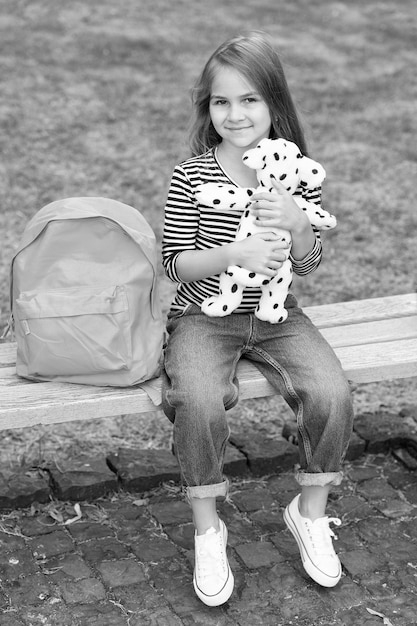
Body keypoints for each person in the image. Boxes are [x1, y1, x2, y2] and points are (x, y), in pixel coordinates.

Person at [161, 31, 354, 607]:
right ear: (207, 107)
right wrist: (230, 256)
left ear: (274, 106)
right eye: (221, 102)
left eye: (249, 100)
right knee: (195, 398)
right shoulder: (192, 174)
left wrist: (297, 222)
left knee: (331, 393)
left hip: (278, 315)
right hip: (203, 314)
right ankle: (207, 528)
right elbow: (174, 264)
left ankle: (310, 512)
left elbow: (310, 262)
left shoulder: (292, 174)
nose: (235, 113)